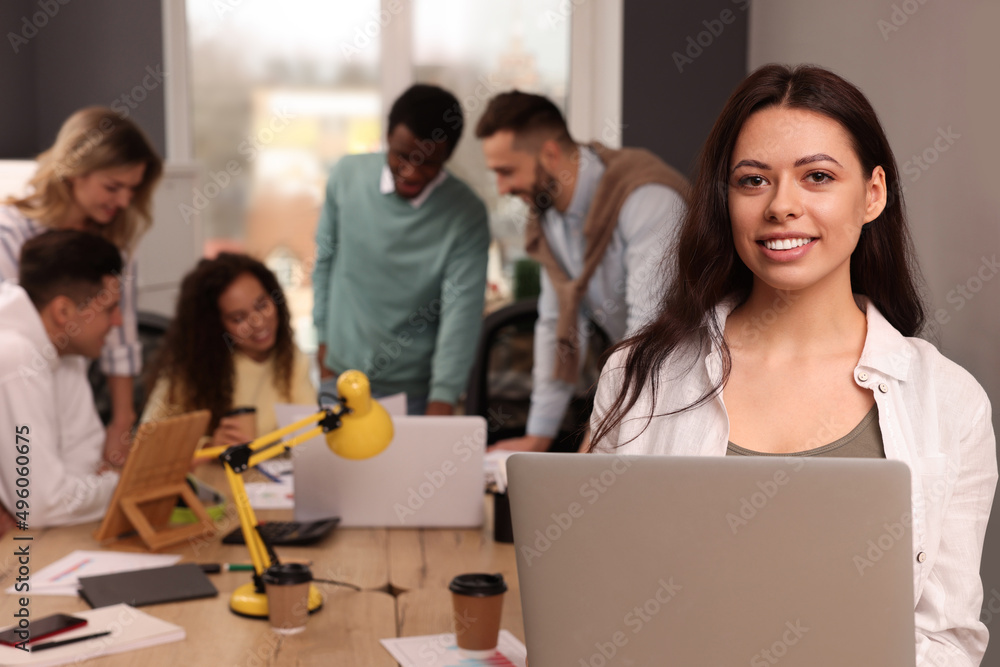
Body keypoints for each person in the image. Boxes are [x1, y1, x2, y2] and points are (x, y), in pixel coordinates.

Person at [590, 64, 996, 666]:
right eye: (753, 181)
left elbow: (944, 641)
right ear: (725, 201)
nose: (782, 205)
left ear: (873, 194)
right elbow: (596, 601)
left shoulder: (950, 403)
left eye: (818, 177)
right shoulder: (638, 377)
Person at [476, 92, 689, 452]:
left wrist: (600, 433)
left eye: (507, 171)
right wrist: (538, 436)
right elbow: (555, 324)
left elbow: (646, 331)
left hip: (689, 384)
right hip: (634, 387)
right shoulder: (549, 218)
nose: (503, 188)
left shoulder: (644, 197)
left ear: (549, 154)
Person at [312, 84, 490, 416]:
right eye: (402, 155)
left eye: (428, 162)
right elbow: (324, 263)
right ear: (388, 137)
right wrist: (323, 346)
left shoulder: (466, 214)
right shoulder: (346, 177)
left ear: (447, 156)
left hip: (415, 395)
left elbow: (461, 313)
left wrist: (443, 399)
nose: (410, 171)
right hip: (338, 378)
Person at [0, 107, 163, 466]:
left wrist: (122, 423)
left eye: (132, 190)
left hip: (74, 397)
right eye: (113, 187)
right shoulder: (10, 235)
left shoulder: (116, 243)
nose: (123, 202)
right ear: (74, 171)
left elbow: (122, 341)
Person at [0, 230, 126, 527]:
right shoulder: (14, 355)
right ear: (63, 311)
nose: (119, 321)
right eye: (109, 309)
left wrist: (107, 484)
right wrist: (126, 483)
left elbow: (85, 467)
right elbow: (41, 506)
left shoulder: (65, 345)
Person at [142, 253, 315, 446]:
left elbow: (311, 436)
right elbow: (148, 441)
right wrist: (209, 446)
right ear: (215, 326)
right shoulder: (191, 369)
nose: (257, 323)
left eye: (262, 305)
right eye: (238, 318)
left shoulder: (292, 358)